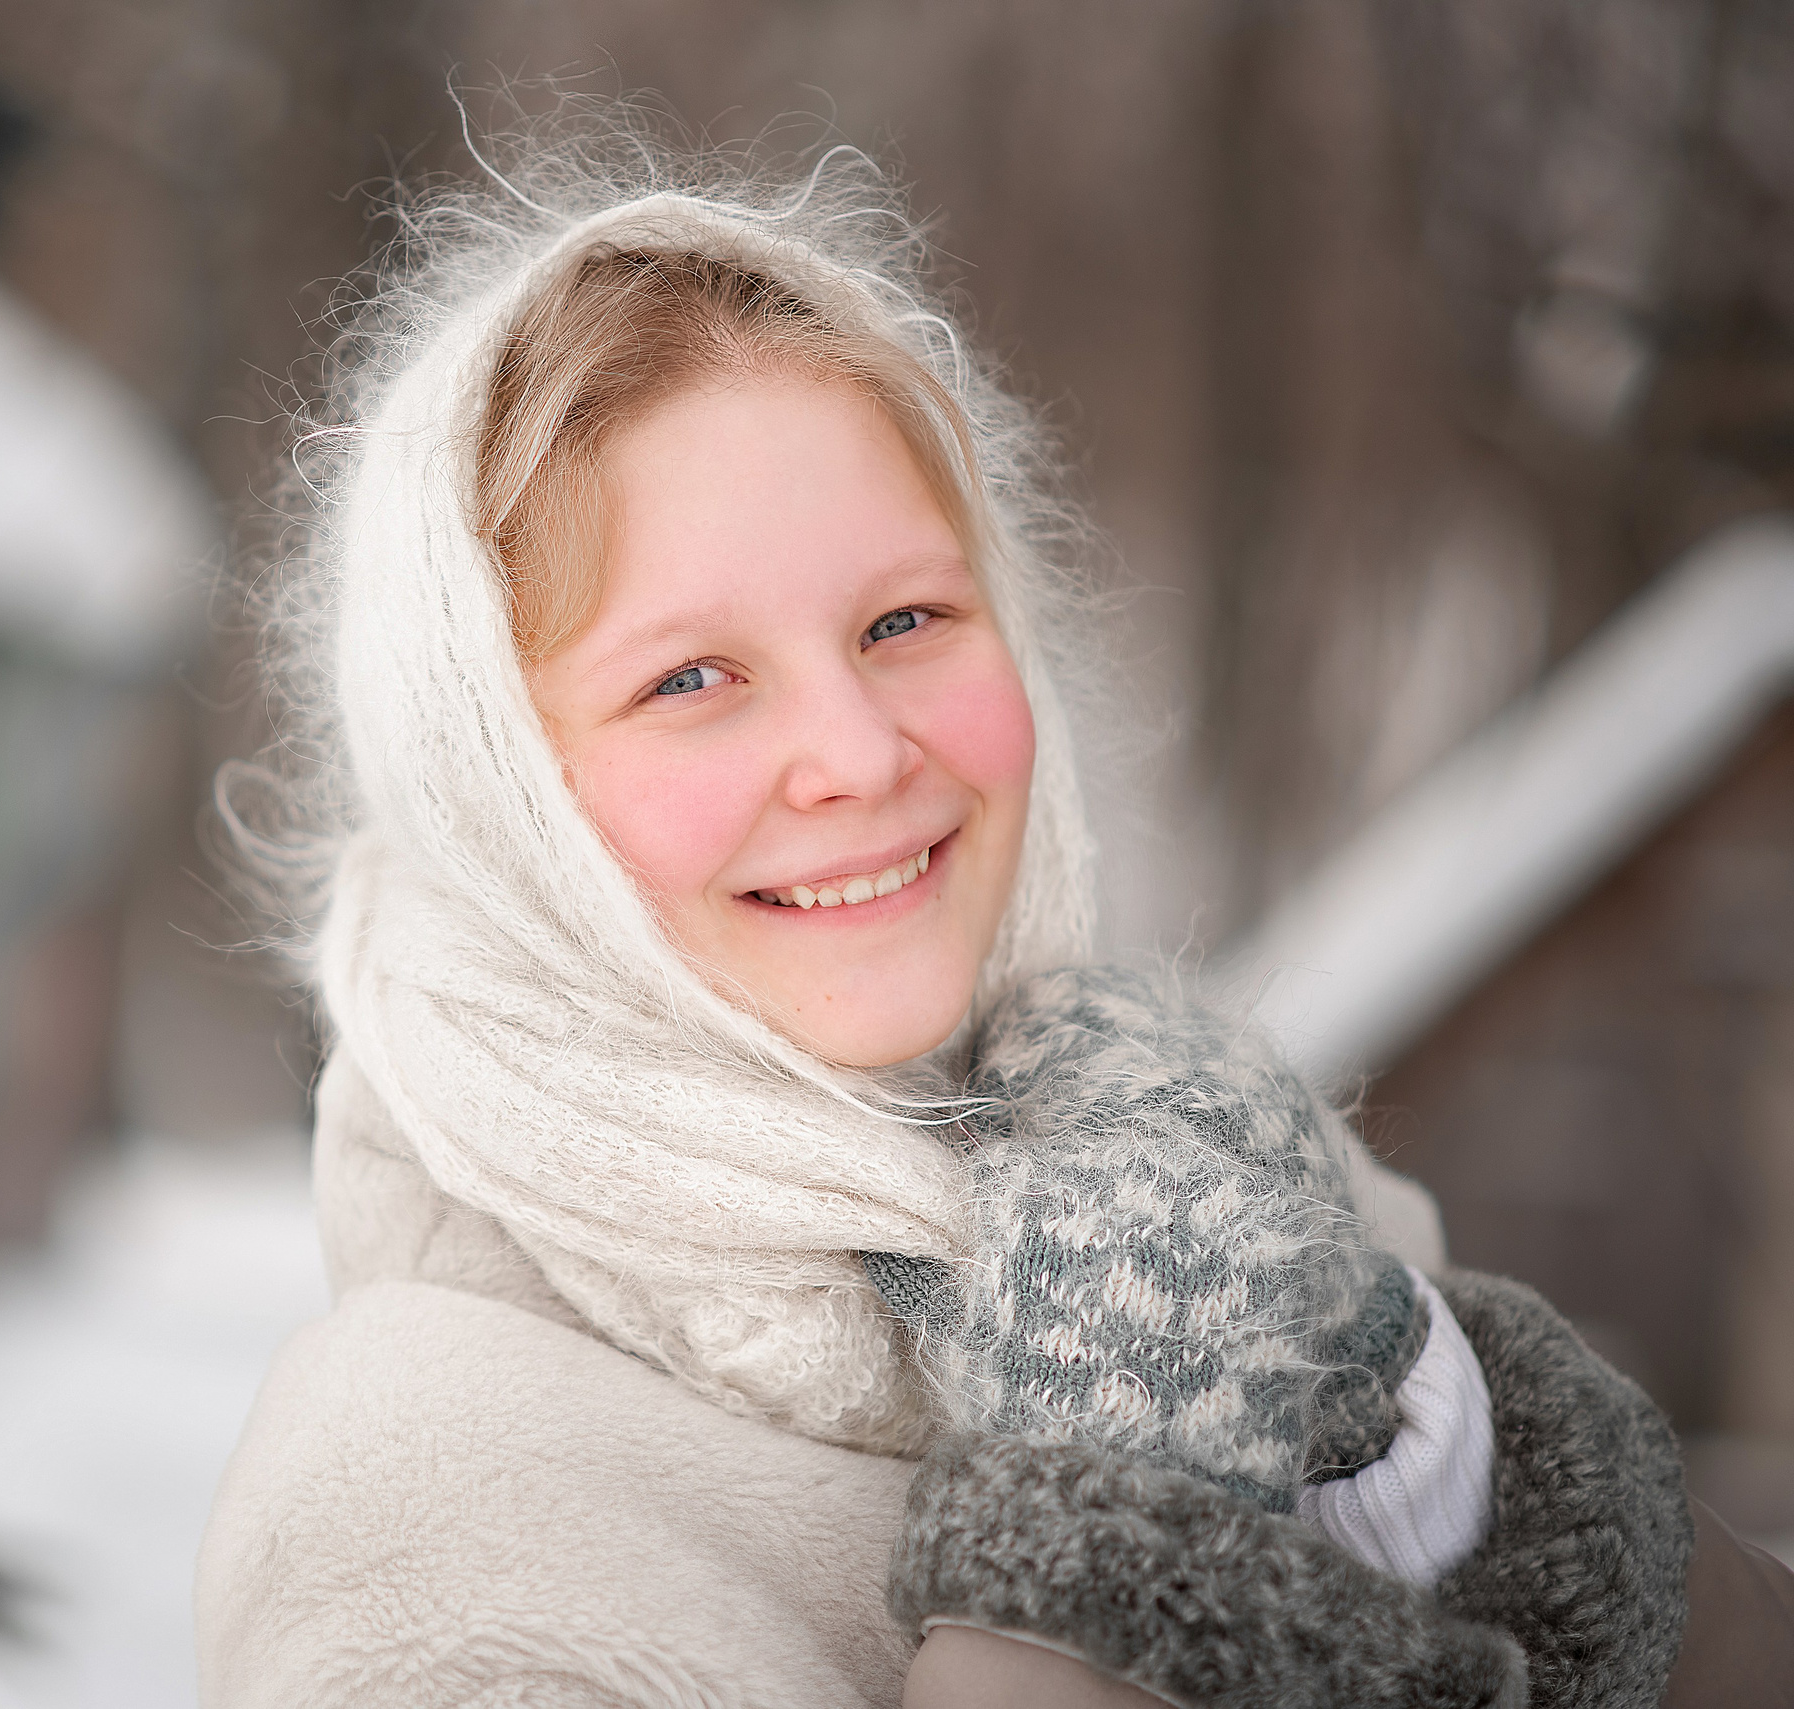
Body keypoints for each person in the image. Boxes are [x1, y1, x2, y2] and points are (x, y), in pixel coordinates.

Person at [193, 114, 1794, 1708]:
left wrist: (1470, 1468)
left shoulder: (1219, 1203)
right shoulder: (419, 1537)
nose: (860, 750)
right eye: (691, 678)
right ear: (497, 795)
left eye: (906, 618)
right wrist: (1110, 1556)